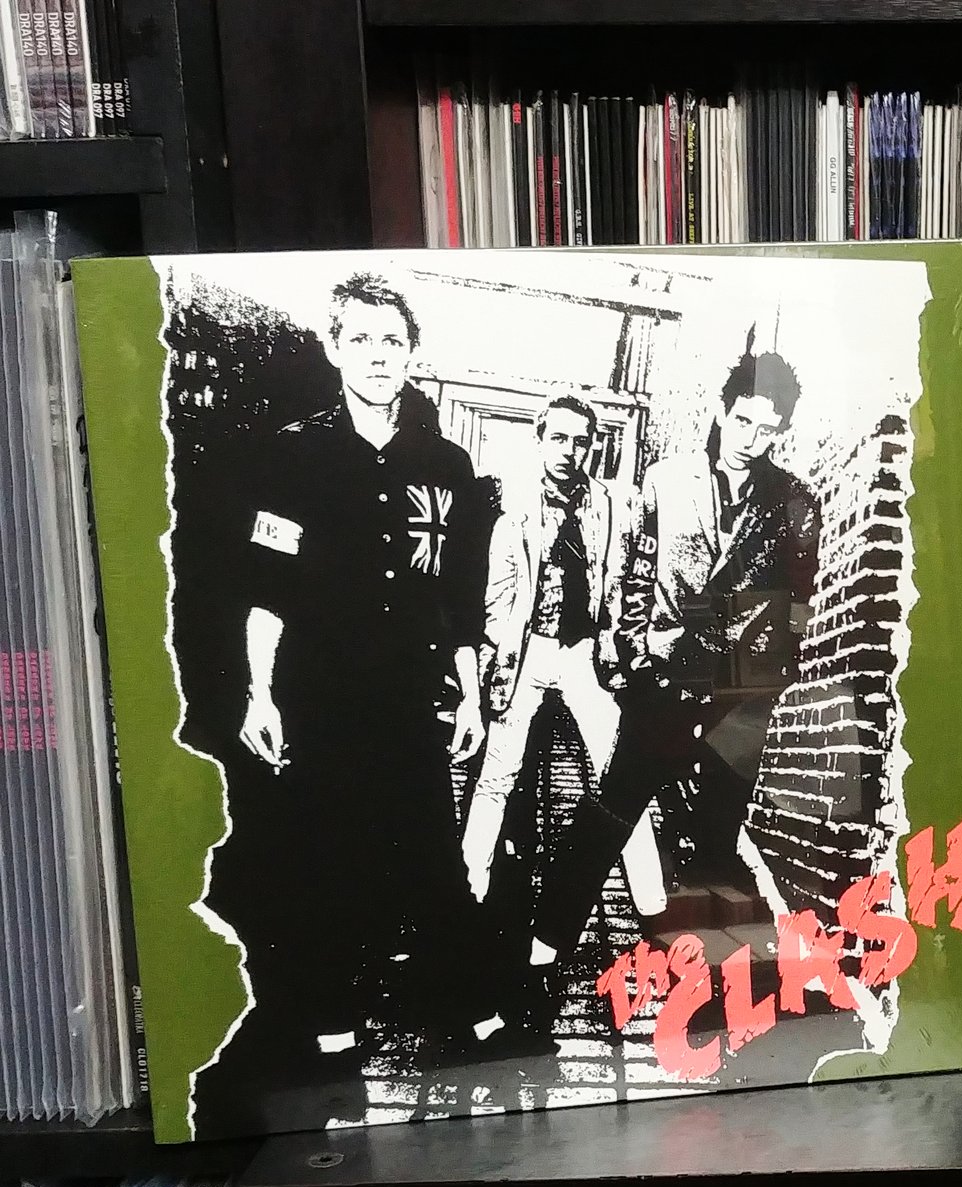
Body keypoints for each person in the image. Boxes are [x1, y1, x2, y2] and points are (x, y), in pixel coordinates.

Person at [199, 272, 496, 1133]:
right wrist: (259, 692)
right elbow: (266, 589)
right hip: (319, 698)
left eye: (391, 340)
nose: (376, 355)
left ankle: (475, 1018)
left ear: (412, 353)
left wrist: (471, 696)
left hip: (412, 698)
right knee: (324, 867)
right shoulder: (291, 455)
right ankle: (333, 1034)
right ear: (335, 348)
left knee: (435, 860)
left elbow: (461, 603)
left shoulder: (446, 466)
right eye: (360, 339)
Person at [531, 347, 820, 968]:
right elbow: (634, 574)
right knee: (612, 807)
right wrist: (632, 656)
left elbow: (797, 600)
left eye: (768, 431)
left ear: (783, 432)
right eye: (743, 422)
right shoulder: (667, 479)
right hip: (662, 677)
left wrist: (764, 681)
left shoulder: (794, 500)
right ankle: (546, 940)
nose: (751, 440)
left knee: (718, 833)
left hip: (738, 694)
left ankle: (707, 971)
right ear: (722, 411)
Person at [460, 394, 670, 929]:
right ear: (539, 440)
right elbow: (498, 593)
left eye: (580, 442)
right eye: (558, 438)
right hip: (527, 648)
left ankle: (652, 902)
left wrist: (618, 644)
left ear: (592, 447)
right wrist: (495, 660)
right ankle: (467, 886)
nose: (568, 451)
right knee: (497, 774)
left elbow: (626, 579)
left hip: (584, 651)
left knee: (619, 774)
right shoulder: (513, 504)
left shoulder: (610, 506)